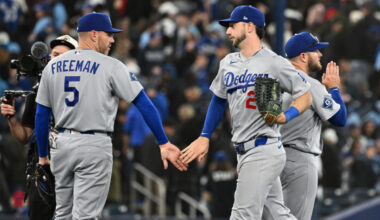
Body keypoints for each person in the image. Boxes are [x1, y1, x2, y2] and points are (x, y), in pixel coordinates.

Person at [34, 12, 187, 219]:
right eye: (109, 34)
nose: (113, 40)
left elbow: (41, 114)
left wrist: (43, 156)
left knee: (62, 214)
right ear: (94, 34)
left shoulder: (53, 65)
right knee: (86, 216)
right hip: (93, 145)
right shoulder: (111, 65)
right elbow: (144, 103)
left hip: (61, 145)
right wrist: (163, 142)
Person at [180, 5, 312, 219]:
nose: (227, 31)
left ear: (250, 26)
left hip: (263, 147)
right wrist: (204, 136)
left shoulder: (273, 62)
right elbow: (218, 100)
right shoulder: (227, 63)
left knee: (242, 215)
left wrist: (286, 116)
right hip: (244, 151)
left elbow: (305, 96)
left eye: (232, 25)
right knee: (278, 214)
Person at [264, 32, 347, 220]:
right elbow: (340, 119)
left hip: (270, 158)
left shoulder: (271, 83)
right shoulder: (309, 84)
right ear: (303, 56)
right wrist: (334, 88)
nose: (320, 55)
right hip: (299, 161)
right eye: (316, 51)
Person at [0, 34, 77, 219]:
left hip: (71, 165)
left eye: (61, 55)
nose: (54, 58)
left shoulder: (81, 93)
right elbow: (24, 136)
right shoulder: (38, 90)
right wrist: (11, 117)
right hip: (41, 169)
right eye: (53, 54)